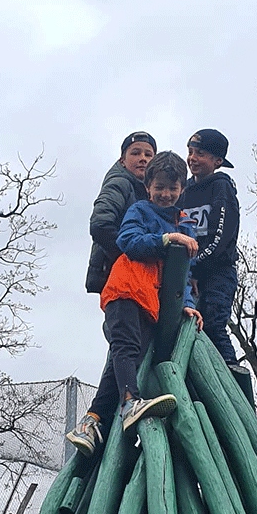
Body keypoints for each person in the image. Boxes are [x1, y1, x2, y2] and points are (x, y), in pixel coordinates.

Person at [67, 151, 202, 456]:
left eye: (172, 188)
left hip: (150, 302)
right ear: (148, 187)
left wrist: (188, 303)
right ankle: (130, 404)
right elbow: (129, 242)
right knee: (126, 350)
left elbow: (184, 273)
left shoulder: (184, 222)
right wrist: (168, 239)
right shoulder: (140, 210)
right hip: (126, 290)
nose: (165, 194)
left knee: (122, 358)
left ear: (182, 188)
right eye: (159, 187)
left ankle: (91, 421)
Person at [181, 129, 252, 404]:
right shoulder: (184, 190)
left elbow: (223, 235)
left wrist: (197, 267)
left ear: (217, 160)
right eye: (190, 152)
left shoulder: (221, 187)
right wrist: (188, 272)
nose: (192, 158)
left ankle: (235, 386)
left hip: (218, 271)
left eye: (200, 153)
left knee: (213, 323)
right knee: (189, 325)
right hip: (190, 273)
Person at [85, 131, 157, 294]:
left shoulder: (149, 191)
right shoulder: (120, 183)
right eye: (135, 153)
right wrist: (130, 253)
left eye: (148, 154)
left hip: (138, 277)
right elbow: (100, 224)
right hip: (118, 274)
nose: (143, 158)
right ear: (122, 161)